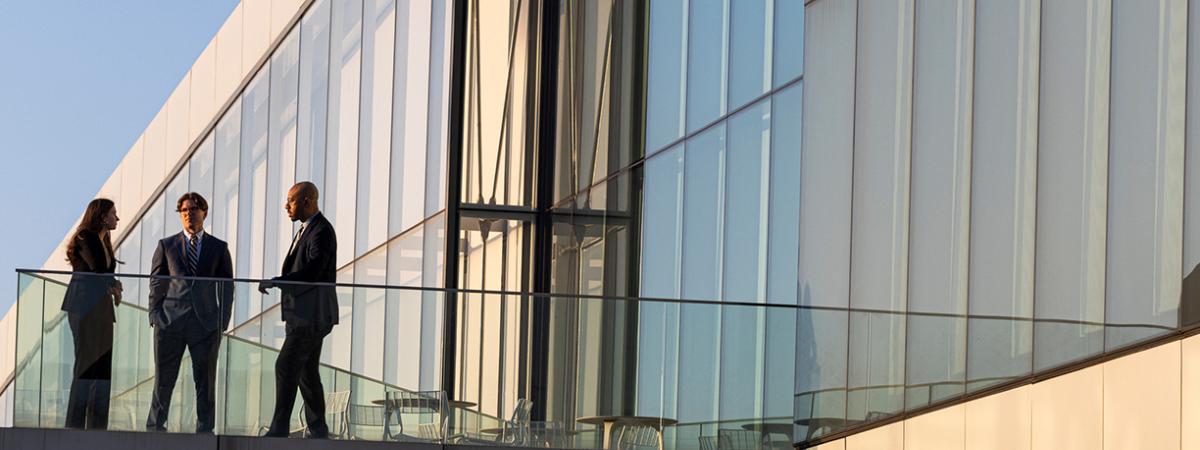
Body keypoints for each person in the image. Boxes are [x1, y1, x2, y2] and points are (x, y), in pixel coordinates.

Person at [146, 192, 234, 433]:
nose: (189, 214)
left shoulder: (218, 247)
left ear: (204, 212)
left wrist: (222, 321)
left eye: (194, 209)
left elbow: (227, 287)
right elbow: (157, 282)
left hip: (205, 324)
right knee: (164, 378)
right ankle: (155, 426)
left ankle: (204, 430)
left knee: (205, 381)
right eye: (184, 210)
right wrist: (154, 314)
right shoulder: (166, 245)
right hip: (170, 322)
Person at [259, 181, 339, 438]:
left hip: (312, 315)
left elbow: (314, 269)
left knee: (285, 364)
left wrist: (278, 282)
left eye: (291, 201)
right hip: (302, 314)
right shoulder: (308, 229)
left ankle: (280, 428)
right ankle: (318, 429)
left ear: (307, 201)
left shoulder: (321, 230)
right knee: (306, 371)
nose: (286, 206)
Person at [61, 198, 122, 430]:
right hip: (83, 306)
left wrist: (113, 285)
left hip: (102, 308)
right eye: (114, 213)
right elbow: (98, 268)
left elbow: (104, 272)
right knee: (85, 364)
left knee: (103, 366)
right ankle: (75, 425)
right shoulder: (85, 237)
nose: (117, 217)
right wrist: (114, 284)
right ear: (102, 216)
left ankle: (97, 426)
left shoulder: (105, 241)